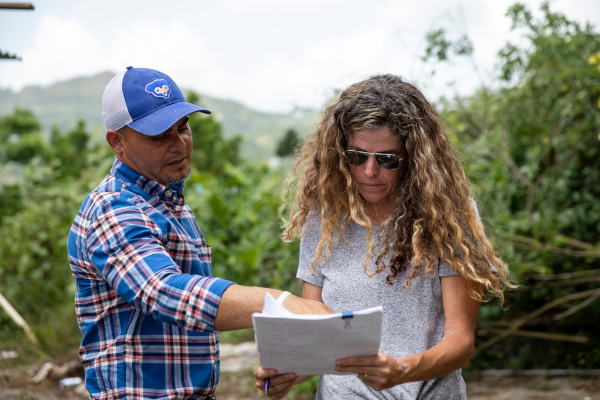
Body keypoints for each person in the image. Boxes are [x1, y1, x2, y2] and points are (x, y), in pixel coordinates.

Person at [67, 66, 331, 400]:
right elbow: (163, 290)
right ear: (116, 141)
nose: (179, 144)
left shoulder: (172, 204)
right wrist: (280, 303)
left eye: (183, 128)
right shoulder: (114, 208)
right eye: (159, 136)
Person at [254, 74, 514, 399]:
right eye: (356, 157)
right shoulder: (322, 220)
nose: (369, 171)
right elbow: (320, 340)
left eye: (387, 160)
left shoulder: (449, 217)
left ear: (414, 158)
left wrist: (404, 369)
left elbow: (460, 342)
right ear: (339, 154)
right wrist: (290, 372)